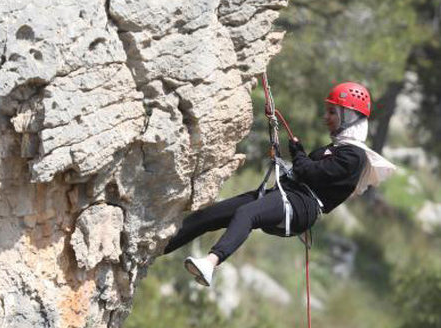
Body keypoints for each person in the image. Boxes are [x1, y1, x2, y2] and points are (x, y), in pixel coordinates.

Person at [162, 82, 396, 287]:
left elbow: (312, 174)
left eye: (332, 112)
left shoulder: (354, 157)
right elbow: (305, 171)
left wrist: (298, 154)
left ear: (349, 116)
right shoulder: (338, 149)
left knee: (246, 214)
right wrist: (289, 158)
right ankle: (157, 249)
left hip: (302, 206)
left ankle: (211, 263)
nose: (326, 117)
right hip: (288, 195)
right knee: (211, 215)